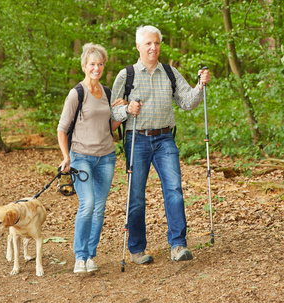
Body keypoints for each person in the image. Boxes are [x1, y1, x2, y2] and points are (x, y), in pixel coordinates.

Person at [111, 25, 211, 264]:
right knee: (135, 195)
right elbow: (113, 113)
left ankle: (178, 245)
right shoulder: (126, 75)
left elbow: (187, 102)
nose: (153, 47)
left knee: (174, 190)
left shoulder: (170, 72)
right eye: (148, 43)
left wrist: (199, 86)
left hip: (165, 138)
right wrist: (127, 109)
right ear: (138, 46)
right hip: (137, 139)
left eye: (156, 43)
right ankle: (136, 249)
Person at [57, 43, 127, 273]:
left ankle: (90, 256)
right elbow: (62, 128)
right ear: (84, 66)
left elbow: (111, 126)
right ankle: (79, 257)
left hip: (106, 157)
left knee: (99, 208)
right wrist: (66, 157)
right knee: (87, 205)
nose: (96, 68)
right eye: (92, 64)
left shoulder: (107, 93)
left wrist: (122, 111)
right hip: (81, 158)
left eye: (100, 64)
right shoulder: (76, 93)